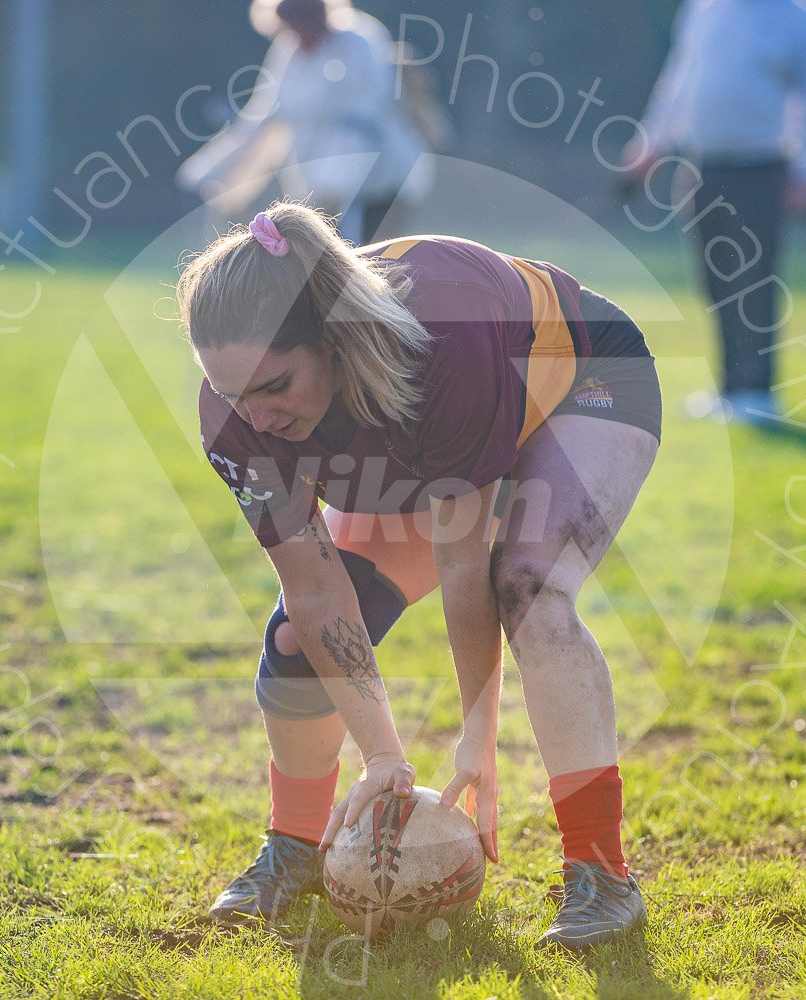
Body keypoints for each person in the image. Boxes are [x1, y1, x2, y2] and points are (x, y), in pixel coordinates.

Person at [180, 202, 663, 948]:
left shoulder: (447, 336)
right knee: (294, 646)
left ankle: (600, 875)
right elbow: (315, 591)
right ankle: (294, 850)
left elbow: (464, 567)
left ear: (333, 342)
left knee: (529, 585)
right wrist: (382, 756)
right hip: (421, 448)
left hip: (581, 384)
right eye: (234, 393)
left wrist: (478, 733)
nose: (257, 416)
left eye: (275, 386)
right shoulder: (236, 415)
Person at [626, 0, 806, 424]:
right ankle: (729, 388)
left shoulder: (798, 15)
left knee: (753, 277)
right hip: (703, 164)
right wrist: (651, 143)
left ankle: (758, 392)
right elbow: (680, 79)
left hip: (762, 166)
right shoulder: (705, 9)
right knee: (716, 280)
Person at [177, 0, 429, 244]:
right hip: (320, 190)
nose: (300, 31)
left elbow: (363, 117)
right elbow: (265, 115)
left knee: (373, 264)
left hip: (379, 185)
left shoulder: (358, 41)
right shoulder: (287, 49)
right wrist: (213, 170)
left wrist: (330, 185)